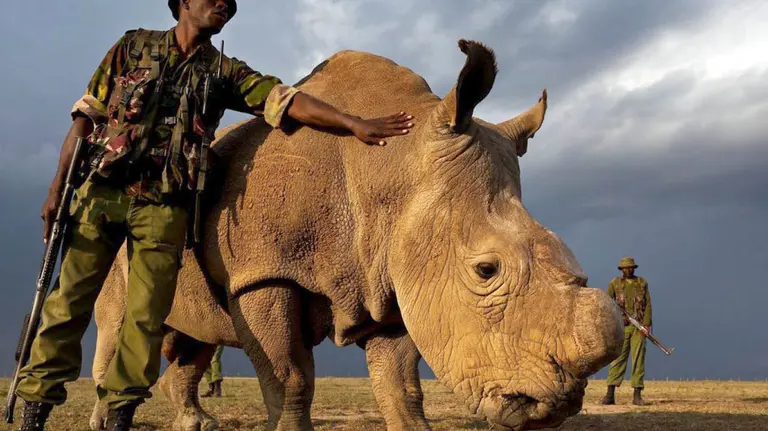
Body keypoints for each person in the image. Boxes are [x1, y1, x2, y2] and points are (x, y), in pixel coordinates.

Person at [15, 1, 415, 429]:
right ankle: (35, 406)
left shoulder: (224, 72)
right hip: (101, 193)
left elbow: (287, 101)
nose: (223, 4)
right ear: (184, 3)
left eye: (230, 1)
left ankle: (120, 413)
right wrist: (57, 188)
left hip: (165, 207)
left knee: (146, 316)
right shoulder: (132, 46)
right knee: (68, 302)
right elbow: (86, 118)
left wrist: (352, 123)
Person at [601, 256, 652, 406]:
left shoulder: (642, 283)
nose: (628, 270)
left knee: (638, 360)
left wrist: (646, 324)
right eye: (625, 268)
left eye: (630, 267)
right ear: (621, 269)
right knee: (618, 359)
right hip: (621, 327)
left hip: (638, 327)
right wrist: (616, 319)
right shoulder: (614, 283)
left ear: (634, 268)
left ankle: (637, 395)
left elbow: (648, 305)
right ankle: (610, 395)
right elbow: (607, 303)